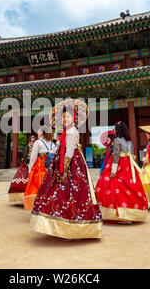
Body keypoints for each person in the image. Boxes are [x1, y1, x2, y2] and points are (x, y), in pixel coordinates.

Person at [30, 99, 102, 240]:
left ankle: (73, 228)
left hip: (71, 165)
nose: (64, 119)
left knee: (71, 194)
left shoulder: (71, 131)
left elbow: (69, 152)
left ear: (73, 118)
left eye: (67, 117)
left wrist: (63, 171)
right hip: (62, 163)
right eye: (62, 117)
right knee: (61, 194)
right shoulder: (66, 132)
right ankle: (62, 226)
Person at [95, 122, 148, 223]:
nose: (114, 131)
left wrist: (113, 171)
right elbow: (132, 155)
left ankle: (117, 213)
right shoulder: (129, 142)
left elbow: (116, 156)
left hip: (119, 164)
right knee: (129, 185)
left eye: (114, 129)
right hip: (128, 165)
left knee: (109, 182)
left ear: (118, 130)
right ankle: (130, 213)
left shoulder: (117, 140)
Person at [23, 127, 55, 210]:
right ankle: (49, 207)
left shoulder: (38, 142)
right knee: (50, 187)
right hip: (51, 167)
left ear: (42, 132)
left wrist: (30, 169)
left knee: (38, 187)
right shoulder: (53, 144)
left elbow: (33, 157)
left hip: (40, 166)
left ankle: (39, 206)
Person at [8, 136, 36, 203]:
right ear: (28, 142)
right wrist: (29, 165)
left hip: (34, 165)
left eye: (34, 141)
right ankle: (22, 199)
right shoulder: (26, 147)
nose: (32, 142)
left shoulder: (36, 148)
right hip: (26, 165)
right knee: (22, 182)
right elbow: (25, 157)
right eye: (30, 141)